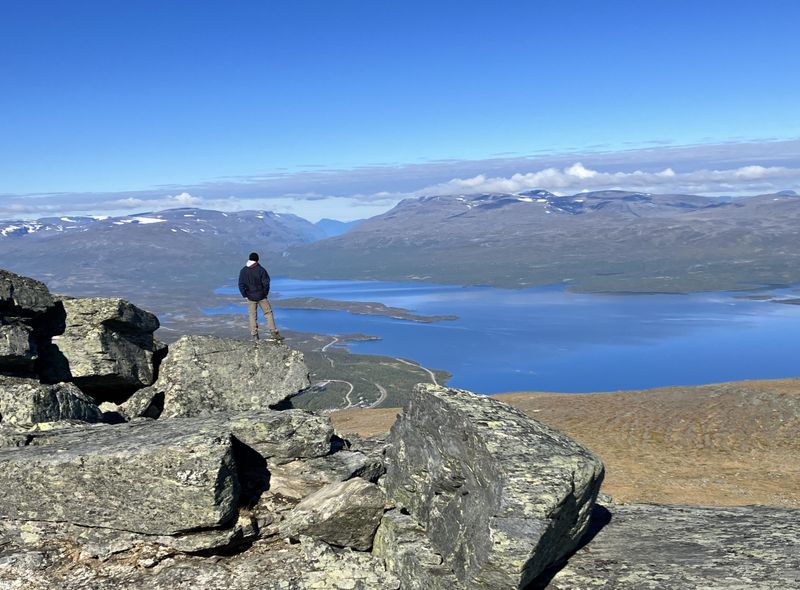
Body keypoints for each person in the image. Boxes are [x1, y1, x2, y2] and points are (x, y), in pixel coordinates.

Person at [238, 252, 283, 342]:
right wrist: (264, 294)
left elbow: (241, 284)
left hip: (250, 297)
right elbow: (266, 283)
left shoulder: (243, 270)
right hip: (261, 296)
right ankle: (274, 333)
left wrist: (245, 295)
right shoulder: (261, 270)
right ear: (257, 260)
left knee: (252, 315)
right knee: (268, 313)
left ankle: (255, 335)